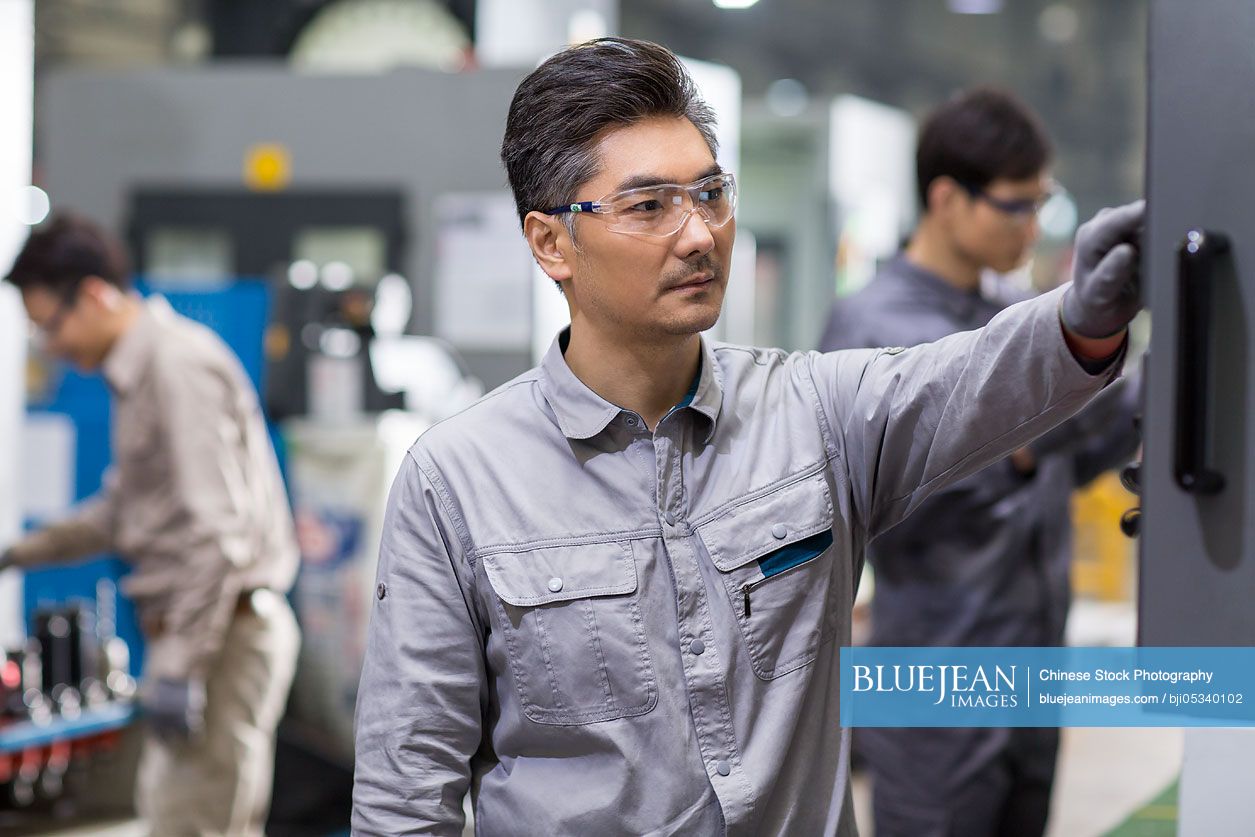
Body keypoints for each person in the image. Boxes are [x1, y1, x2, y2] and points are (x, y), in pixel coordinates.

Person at [350, 38, 1143, 836]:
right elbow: (407, 790)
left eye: (710, 193)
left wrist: (1086, 315)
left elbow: (968, 379)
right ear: (551, 242)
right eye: (649, 205)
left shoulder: (813, 415)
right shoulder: (456, 479)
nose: (698, 234)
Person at [819, 88, 1140, 837]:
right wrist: (1029, 442)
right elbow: (894, 496)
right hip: (936, 678)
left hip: (1029, 663)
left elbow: (1074, 444)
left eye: (1041, 204)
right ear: (945, 198)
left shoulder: (1007, 318)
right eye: (1015, 206)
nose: (1032, 225)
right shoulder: (874, 327)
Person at [0, 213, 301, 836]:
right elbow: (124, 511)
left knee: (190, 824)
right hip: (209, 633)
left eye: (49, 326)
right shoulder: (139, 374)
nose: (50, 347)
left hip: (222, 635)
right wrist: (17, 552)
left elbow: (217, 534)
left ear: (93, 294)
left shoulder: (174, 366)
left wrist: (181, 667)